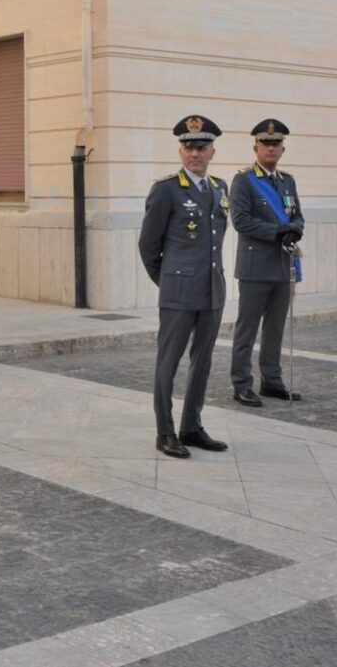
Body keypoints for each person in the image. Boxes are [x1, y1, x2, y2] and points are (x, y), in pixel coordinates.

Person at [138, 115, 230, 459]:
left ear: (212, 152)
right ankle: (165, 431)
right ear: (180, 151)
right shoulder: (166, 189)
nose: (195, 154)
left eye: (202, 148)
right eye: (189, 147)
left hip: (212, 291)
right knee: (168, 362)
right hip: (178, 292)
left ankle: (191, 426)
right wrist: (168, 280)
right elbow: (149, 246)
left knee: (202, 361)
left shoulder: (220, 188)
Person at [230, 119, 305, 407]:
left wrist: (296, 228)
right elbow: (241, 221)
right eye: (265, 143)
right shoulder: (244, 180)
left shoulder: (287, 181)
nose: (270, 148)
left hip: (283, 264)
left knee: (275, 327)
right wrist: (278, 231)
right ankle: (242, 383)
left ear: (282, 149)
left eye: (275, 144)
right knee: (247, 328)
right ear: (256, 147)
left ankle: (271, 381)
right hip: (255, 267)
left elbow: (297, 214)